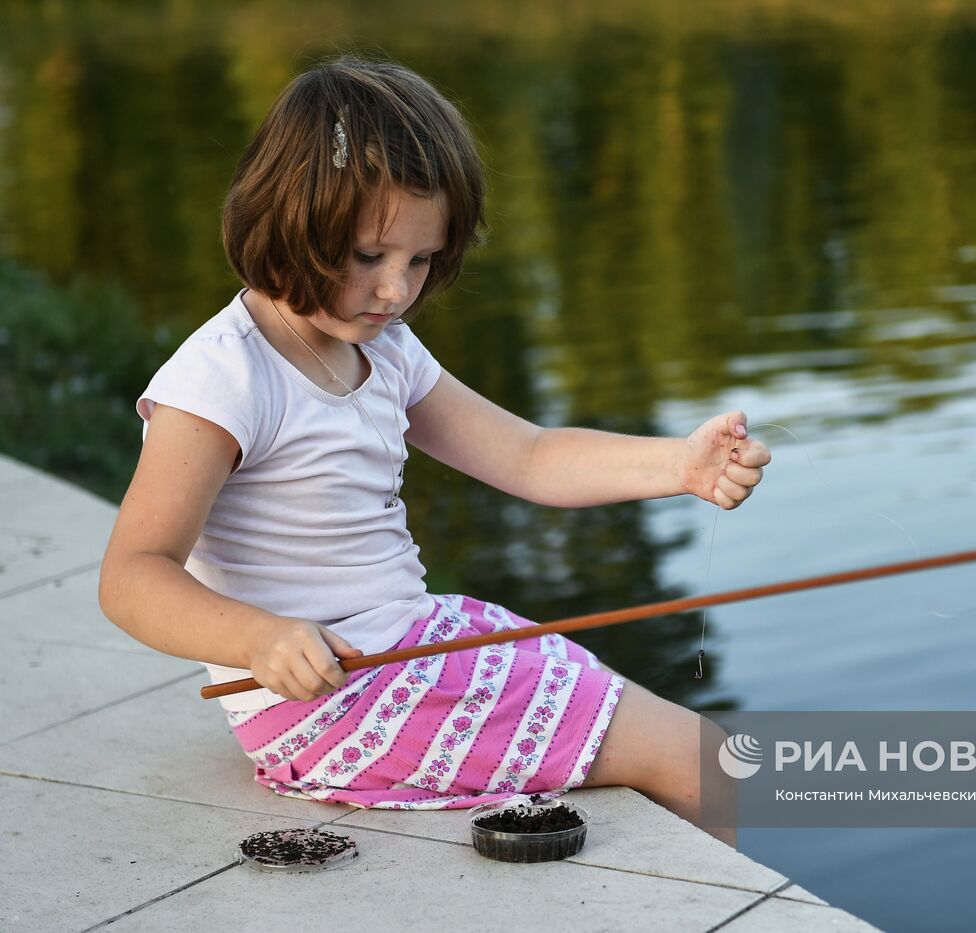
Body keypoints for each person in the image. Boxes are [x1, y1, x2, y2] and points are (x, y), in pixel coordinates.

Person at [97, 56, 767, 847]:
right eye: (368, 257)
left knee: (696, 755)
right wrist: (257, 637)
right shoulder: (223, 379)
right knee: (707, 761)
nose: (397, 290)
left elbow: (528, 455)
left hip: (409, 645)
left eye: (420, 260)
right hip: (332, 703)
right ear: (290, 220)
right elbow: (132, 576)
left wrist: (679, 465)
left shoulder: (383, 348)